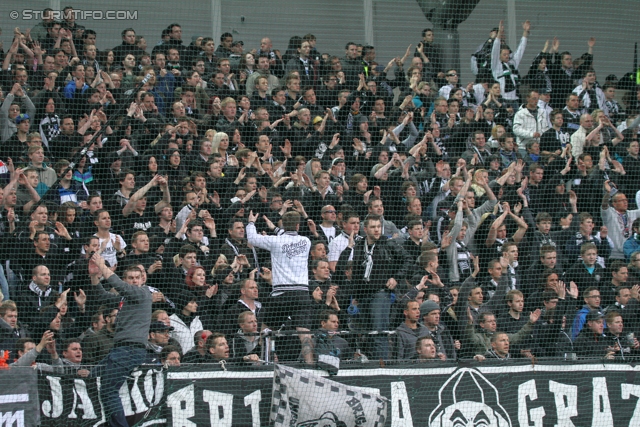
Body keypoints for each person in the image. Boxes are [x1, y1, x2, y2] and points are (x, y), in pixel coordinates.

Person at [88, 253, 152, 427]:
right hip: (120, 350)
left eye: (137, 278)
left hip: (130, 350)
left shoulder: (143, 293)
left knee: (108, 390)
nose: (134, 281)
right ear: (126, 279)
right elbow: (102, 296)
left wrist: (102, 265)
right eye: (130, 278)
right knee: (90, 377)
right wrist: (95, 276)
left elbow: (117, 284)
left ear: (142, 280)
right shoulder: (125, 298)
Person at [246, 210, 314, 364]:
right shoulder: (306, 241)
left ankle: (265, 361)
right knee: (305, 334)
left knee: (266, 330)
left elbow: (252, 238)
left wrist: (251, 223)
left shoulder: (275, 241)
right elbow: (287, 235)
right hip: (302, 294)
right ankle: (311, 366)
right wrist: (276, 229)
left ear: (283, 224)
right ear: (298, 225)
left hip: (281, 295)